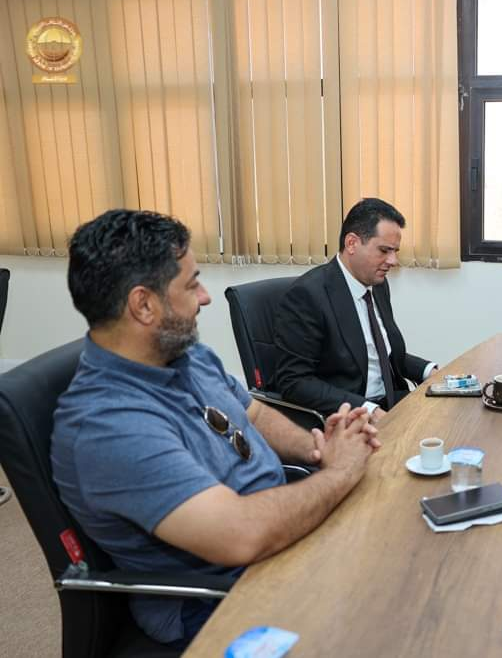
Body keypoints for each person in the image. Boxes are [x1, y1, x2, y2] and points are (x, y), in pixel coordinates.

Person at [51, 209, 380, 648]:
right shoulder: (108, 426)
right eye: (191, 285)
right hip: (222, 595)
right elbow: (240, 535)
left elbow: (253, 415)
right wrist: (339, 472)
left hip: (276, 537)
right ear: (143, 305)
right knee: (386, 616)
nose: (205, 297)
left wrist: (317, 448)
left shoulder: (185, 356)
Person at [273, 198, 436, 422]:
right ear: (351, 243)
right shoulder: (307, 295)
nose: (393, 261)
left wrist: (430, 371)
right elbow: (294, 382)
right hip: (348, 413)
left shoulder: (377, 284)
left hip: (390, 401)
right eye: (384, 250)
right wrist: (367, 410)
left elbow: (382, 352)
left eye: (395, 251)